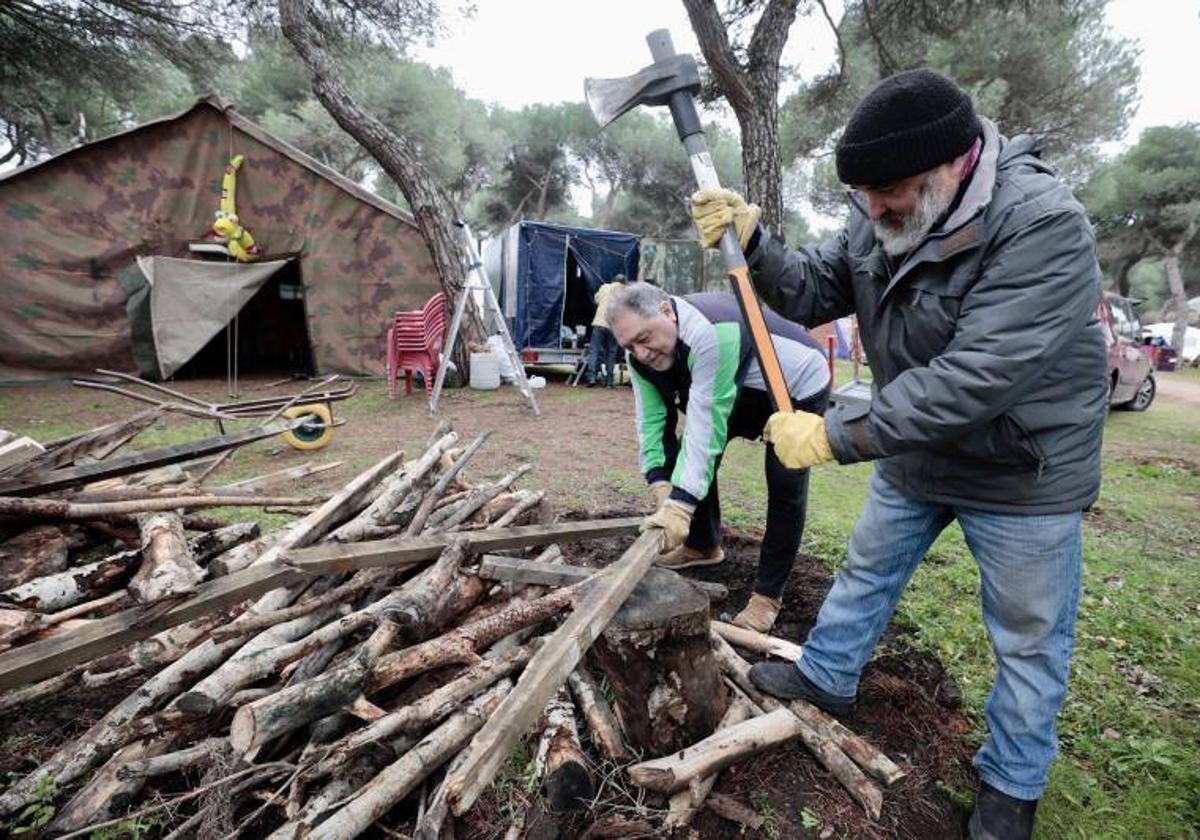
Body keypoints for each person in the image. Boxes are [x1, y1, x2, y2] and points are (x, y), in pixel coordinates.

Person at [689, 69, 1106, 840]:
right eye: (865, 196)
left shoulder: (1042, 224)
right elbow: (815, 288)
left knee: (1028, 636)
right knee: (867, 570)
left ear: (955, 166)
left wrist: (837, 433)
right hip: (918, 451)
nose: (873, 210)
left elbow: (976, 376)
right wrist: (755, 242)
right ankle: (827, 676)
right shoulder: (882, 206)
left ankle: (1012, 783)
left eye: (891, 194)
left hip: (1019, 468)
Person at [608, 282, 830, 632]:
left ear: (666, 311)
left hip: (794, 385)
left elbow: (705, 427)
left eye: (645, 337)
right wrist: (661, 484)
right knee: (686, 457)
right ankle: (702, 545)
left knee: (785, 480)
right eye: (629, 345)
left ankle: (768, 596)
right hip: (738, 387)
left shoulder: (712, 333)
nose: (641, 352)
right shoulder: (640, 359)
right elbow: (651, 423)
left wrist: (680, 506)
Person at [586, 275, 626, 387]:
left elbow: (596, 300)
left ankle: (591, 378)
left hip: (599, 323)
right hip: (613, 326)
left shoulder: (604, 287)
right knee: (611, 353)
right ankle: (609, 382)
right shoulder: (624, 292)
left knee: (594, 350)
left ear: (613, 280)